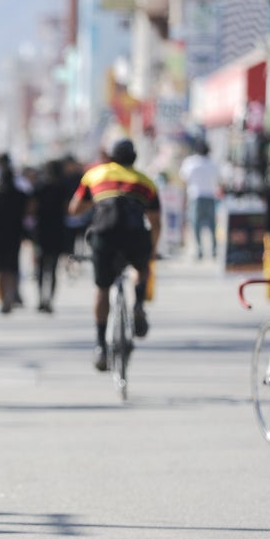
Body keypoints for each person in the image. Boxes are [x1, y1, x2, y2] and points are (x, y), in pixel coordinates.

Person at [68, 139, 161, 371]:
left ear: (111, 157)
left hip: (104, 235)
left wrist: (97, 201)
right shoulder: (146, 181)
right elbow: (156, 222)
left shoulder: (95, 175)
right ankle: (138, 304)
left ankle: (100, 345)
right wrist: (152, 250)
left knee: (102, 289)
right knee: (141, 269)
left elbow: (75, 209)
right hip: (134, 235)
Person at [0, 153, 30, 314]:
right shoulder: (20, 195)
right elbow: (28, 211)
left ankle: (1, 298)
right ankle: (10, 295)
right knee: (12, 267)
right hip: (14, 236)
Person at [32, 159, 72, 313]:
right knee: (53, 268)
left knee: (41, 267)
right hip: (58, 230)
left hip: (42, 230)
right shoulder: (63, 187)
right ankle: (50, 300)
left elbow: (32, 208)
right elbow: (67, 208)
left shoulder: (40, 187)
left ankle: (41, 298)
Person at [179, 139, 221, 260]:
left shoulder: (190, 162)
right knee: (212, 225)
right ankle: (213, 250)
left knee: (195, 225)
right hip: (210, 196)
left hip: (195, 196)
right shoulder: (212, 163)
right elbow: (219, 178)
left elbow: (183, 178)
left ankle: (199, 250)